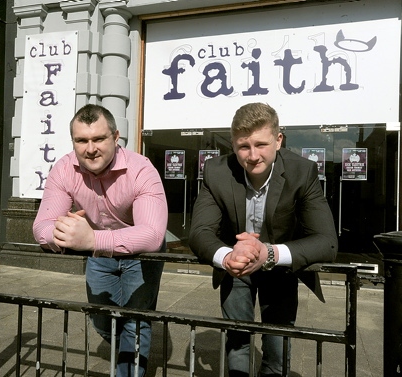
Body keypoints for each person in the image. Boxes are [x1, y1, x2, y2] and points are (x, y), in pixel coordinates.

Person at [188, 102, 337, 377]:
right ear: (232, 144)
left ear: (278, 140)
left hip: (279, 268)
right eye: (244, 146)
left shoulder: (302, 171)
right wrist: (227, 257)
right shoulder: (216, 171)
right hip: (236, 267)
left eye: (261, 144)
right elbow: (199, 232)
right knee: (237, 344)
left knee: (278, 351)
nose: (253, 155)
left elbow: (327, 241)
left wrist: (268, 253)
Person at [33, 104, 168, 377]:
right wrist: (64, 233)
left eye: (99, 139)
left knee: (134, 321)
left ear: (116, 138)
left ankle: (130, 364)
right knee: (101, 320)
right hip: (96, 252)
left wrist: (92, 238)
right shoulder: (63, 168)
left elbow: (152, 235)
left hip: (140, 254)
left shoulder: (141, 169)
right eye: (81, 140)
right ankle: (129, 352)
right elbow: (41, 227)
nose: (90, 148)